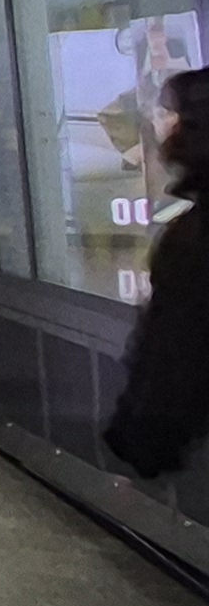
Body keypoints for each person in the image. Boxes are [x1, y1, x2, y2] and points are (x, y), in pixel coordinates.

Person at [104, 71, 209, 481]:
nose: (169, 132)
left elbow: (173, 345)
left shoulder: (193, 237)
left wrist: (143, 429)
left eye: (177, 118)